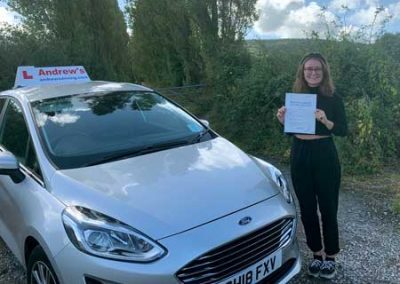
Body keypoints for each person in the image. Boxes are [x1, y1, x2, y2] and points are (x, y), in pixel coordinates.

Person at [276, 52, 347, 279]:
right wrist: (283, 122)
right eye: (309, 69)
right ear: (302, 72)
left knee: (328, 208)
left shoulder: (334, 97)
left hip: (325, 154)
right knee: (307, 209)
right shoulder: (296, 97)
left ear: (324, 71)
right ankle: (317, 254)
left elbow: (343, 130)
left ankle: (331, 256)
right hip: (300, 154)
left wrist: (326, 120)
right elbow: (289, 133)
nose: (313, 73)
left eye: (317, 69)